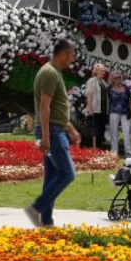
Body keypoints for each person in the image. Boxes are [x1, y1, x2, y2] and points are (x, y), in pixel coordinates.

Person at [26, 39, 81, 229]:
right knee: (67, 174)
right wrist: (47, 136)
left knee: (52, 177)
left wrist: (71, 129)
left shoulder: (53, 72)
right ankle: (36, 208)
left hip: (57, 129)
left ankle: (46, 222)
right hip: (53, 132)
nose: (72, 59)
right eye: (72, 55)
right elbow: (45, 106)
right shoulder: (49, 73)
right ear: (64, 53)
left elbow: (57, 108)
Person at [106, 71, 131, 157]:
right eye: (116, 78)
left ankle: (128, 152)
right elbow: (106, 101)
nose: (118, 79)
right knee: (113, 132)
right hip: (113, 112)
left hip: (125, 113)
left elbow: (129, 100)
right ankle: (114, 152)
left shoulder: (126, 88)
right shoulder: (109, 89)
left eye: (119, 77)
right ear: (112, 79)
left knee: (127, 133)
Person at [83, 64, 108, 149]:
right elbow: (89, 95)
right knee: (93, 130)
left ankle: (98, 148)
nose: (103, 72)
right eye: (102, 70)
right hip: (95, 110)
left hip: (103, 110)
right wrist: (90, 109)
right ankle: (91, 148)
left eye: (104, 71)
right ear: (96, 71)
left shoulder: (104, 82)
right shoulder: (92, 81)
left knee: (101, 130)